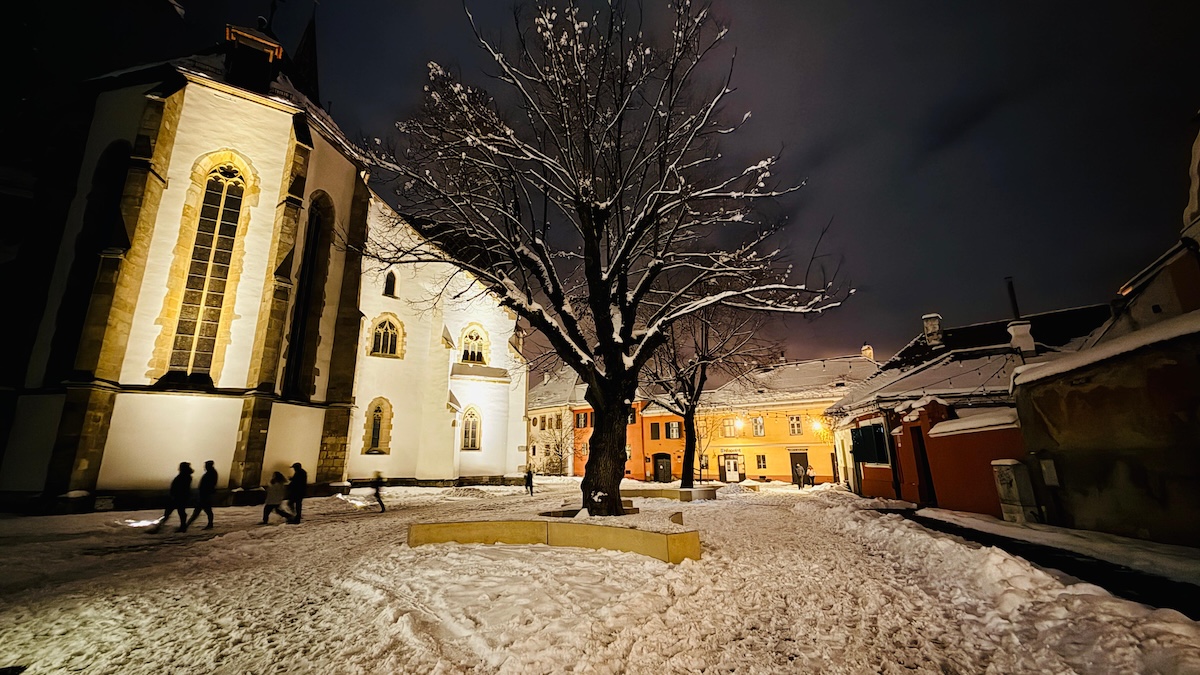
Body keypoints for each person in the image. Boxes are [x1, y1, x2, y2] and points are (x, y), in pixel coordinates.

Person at [155, 462, 193, 533]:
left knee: (172, 512)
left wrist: (174, 495)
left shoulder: (183, 477)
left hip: (178, 497)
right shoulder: (186, 476)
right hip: (180, 497)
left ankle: (158, 527)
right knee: (179, 512)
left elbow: (180, 488)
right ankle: (182, 527)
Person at [186, 460, 218, 530]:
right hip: (205, 494)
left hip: (205, 495)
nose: (204, 467)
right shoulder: (212, 473)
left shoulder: (210, 474)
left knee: (200, 510)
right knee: (204, 510)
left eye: (206, 466)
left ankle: (187, 524)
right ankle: (209, 524)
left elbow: (208, 485)